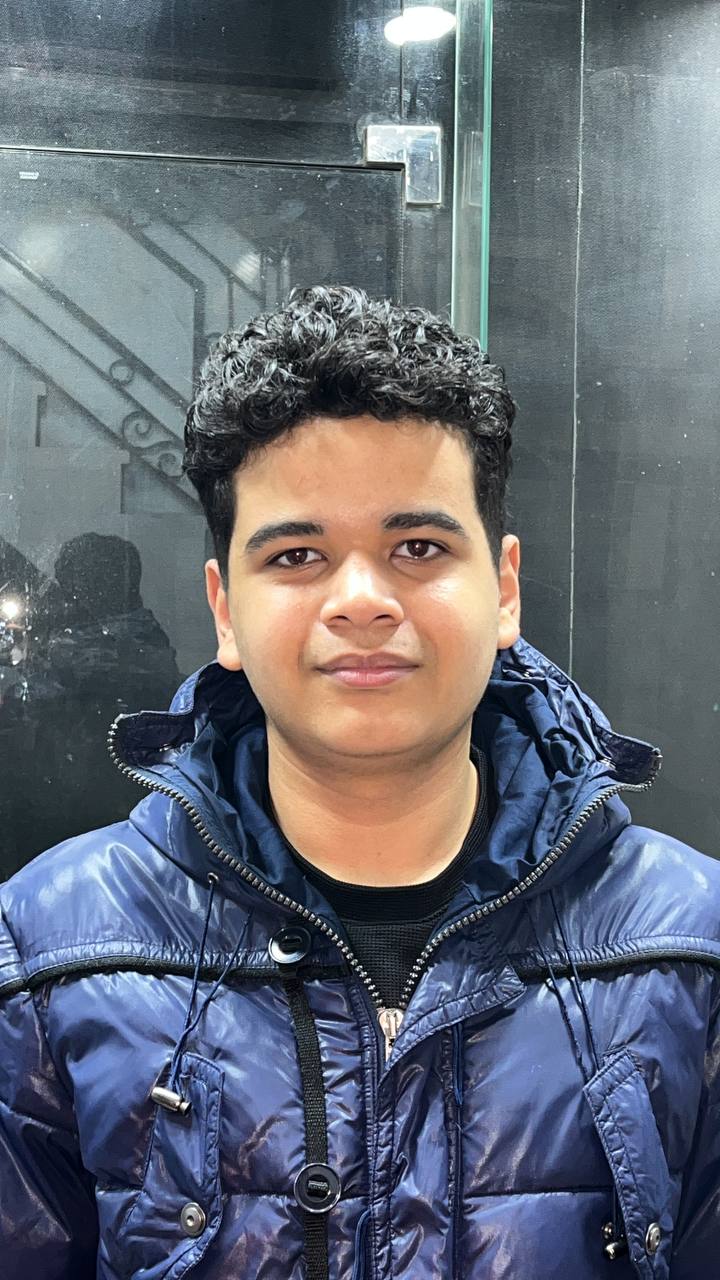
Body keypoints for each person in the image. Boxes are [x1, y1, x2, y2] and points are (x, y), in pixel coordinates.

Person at [0, 284, 717, 1280]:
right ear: (225, 609)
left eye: (417, 547)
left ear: (505, 587)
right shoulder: (45, 954)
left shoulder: (691, 947)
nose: (363, 600)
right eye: (298, 554)